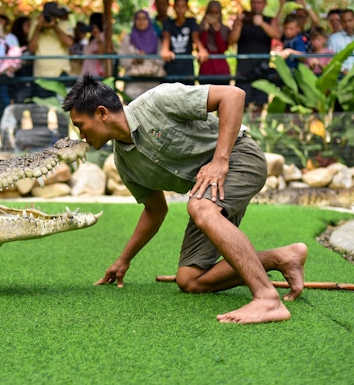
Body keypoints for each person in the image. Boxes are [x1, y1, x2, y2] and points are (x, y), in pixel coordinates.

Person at [62, 75, 308, 324]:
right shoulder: (124, 164)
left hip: (240, 156)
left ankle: (267, 299)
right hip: (209, 192)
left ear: (102, 113)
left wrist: (219, 161)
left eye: (80, 125)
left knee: (199, 206)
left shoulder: (158, 101)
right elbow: (155, 210)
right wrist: (124, 260)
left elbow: (233, 96)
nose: (81, 135)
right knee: (190, 280)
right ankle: (282, 257)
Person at [228, 0, 281, 116]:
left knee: (259, 106)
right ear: (250, 3)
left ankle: (256, 132)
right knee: (241, 105)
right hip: (243, 70)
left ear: (265, 4)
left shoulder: (269, 20)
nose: (256, 5)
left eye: (259, 3)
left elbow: (277, 35)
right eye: (254, 3)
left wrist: (261, 23)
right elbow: (231, 41)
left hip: (262, 70)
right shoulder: (242, 19)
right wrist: (239, 24)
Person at [27, 1, 74, 96]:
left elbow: (70, 43)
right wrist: (38, 28)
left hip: (60, 73)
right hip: (40, 76)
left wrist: (55, 27)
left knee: (62, 107)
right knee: (44, 108)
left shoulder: (64, 24)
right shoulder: (36, 26)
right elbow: (31, 49)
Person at [160, 0, 208, 84]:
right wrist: (165, 49)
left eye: (183, 6)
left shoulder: (191, 22)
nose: (180, 9)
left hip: (187, 67)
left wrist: (201, 50)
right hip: (171, 67)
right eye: (178, 6)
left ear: (187, 8)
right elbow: (166, 36)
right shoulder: (168, 23)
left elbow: (195, 37)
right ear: (174, 7)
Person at [117, 9, 165, 99]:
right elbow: (121, 60)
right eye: (138, 19)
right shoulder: (128, 39)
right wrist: (134, 59)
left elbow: (162, 61)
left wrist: (146, 57)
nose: (141, 21)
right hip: (133, 87)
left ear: (148, 21)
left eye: (144, 19)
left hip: (152, 85)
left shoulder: (156, 40)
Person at [198, 0, 231, 84]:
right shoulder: (200, 28)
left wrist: (217, 32)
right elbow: (201, 47)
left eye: (216, 13)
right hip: (206, 70)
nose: (213, 15)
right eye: (211, 12)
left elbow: (222, 49)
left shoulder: (224, 29)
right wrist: (205, 30)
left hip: (222, 71)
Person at [81, 12, 106, 77]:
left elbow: (102, 55)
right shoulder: (92, 40)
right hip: (88, 75)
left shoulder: (102, 37)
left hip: (96, 75)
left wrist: (98, 37)